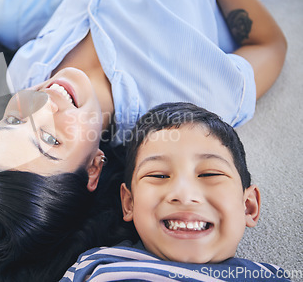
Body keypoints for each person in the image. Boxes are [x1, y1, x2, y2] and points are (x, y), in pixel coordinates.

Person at [0, 0, 286, 281]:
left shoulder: (23, 74)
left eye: (13, 122)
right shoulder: (188, 107)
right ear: (94, 168)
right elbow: (269, 45)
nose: (41, 105)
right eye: (51, 140)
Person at [61, 102, 291, 281]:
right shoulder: (96, 266)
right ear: (129, 203)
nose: (183, 194)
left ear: (248, 206)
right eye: (158, 175)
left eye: (209, 174)